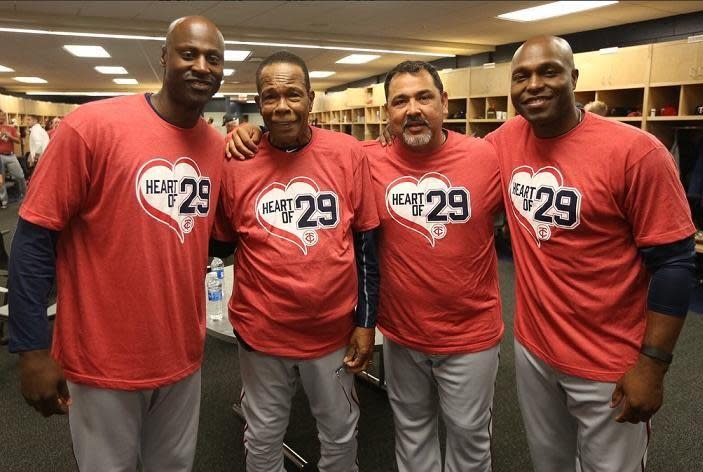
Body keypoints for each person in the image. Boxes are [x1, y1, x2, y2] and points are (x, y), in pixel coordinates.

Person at [226, 60, 504, 472]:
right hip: (398, 331)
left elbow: (364, 245)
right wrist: (246, 132)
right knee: (409, 430)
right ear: (386, 113)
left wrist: (362, 321)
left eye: (424, 97)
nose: (412, 109)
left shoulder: (485, 156)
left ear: (444, 102)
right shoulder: (362, 157)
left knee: (467, 434)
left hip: (466, 331)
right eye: (400, 101)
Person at [9, 15, 226, 471]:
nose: (201, 65)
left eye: (213, 58)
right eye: (189, 53)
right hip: (102, 361)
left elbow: (217, 240)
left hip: (182, 356)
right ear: (165, 57)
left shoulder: (215, 146)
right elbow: (33, 239)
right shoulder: (91, 127)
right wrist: (31, 348)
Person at [485, 36, 695, 471]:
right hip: (535, 348)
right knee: (550, 463)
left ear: (574, 79)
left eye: (549, 72)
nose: (534, 85)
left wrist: (653, 366)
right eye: (521, 76)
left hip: (609, 360)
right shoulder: (506, 139)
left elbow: (675, 264)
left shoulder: (637, 153)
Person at [211, 50, 379, 472]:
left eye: (293, 95)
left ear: (311, 97)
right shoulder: (236, 164)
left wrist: (366, 320)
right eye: (270, 96)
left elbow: (365, 244)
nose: (281, 106)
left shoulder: (347, 153)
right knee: (263, 434)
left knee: (340, 432)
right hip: (261, 331)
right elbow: (221, 242)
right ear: (257, 101)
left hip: (332, 332)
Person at [0, 109, 26, 207]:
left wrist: (9, 135)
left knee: (20, 176)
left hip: (11, 155)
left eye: (3, 115)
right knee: (0, 180)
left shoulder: (10, 128)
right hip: (0, 157)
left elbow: (18, 141)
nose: (2, 117)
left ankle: (26, 197)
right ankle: (4, 202)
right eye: (0, 116)